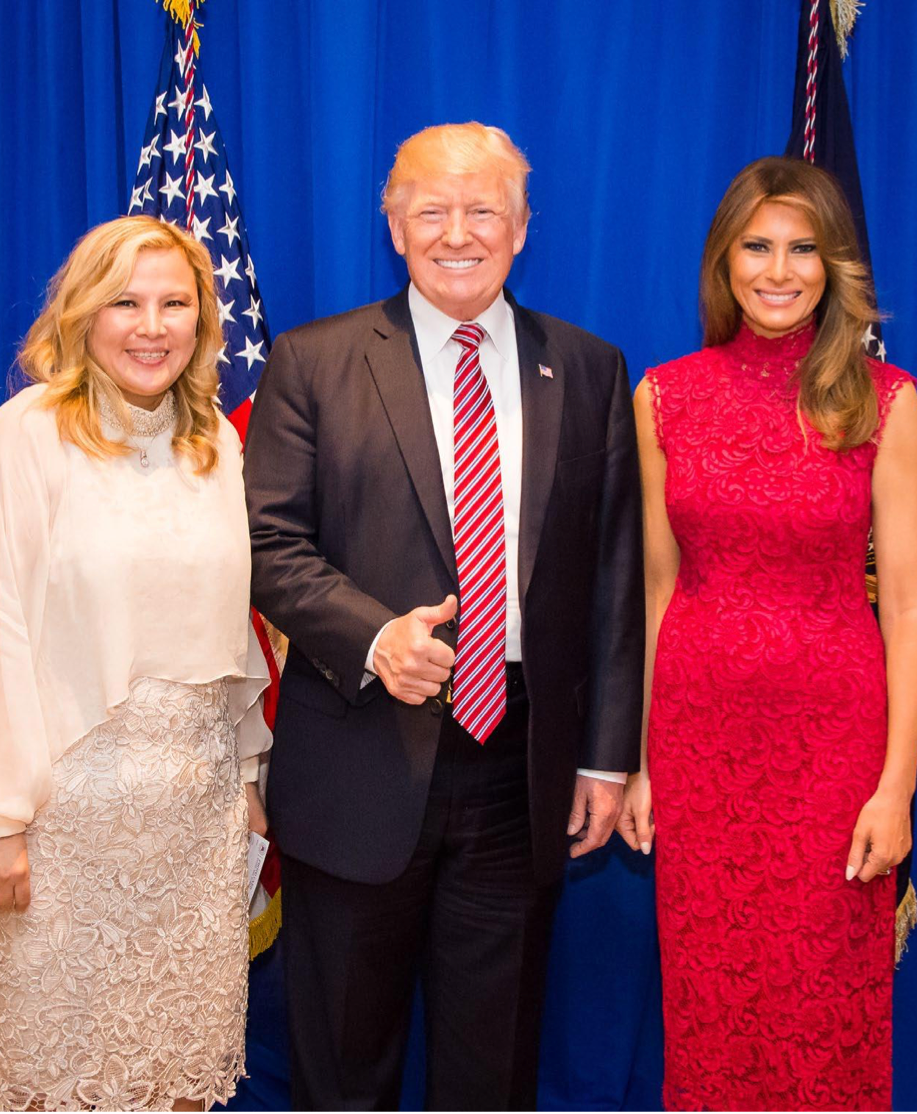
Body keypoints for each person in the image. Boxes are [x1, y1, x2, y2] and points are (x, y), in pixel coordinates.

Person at [245, 122, 643, 1110]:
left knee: (491, 1070)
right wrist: (374, 637)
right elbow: (266, 544)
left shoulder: (588, 367)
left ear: (521, 228)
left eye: (482, 211)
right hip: (356, 761)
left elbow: (613, 576)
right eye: (430, 210)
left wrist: (604, 758)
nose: (456, 233)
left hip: (521, 769)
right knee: (342, 1069)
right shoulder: (313, 360)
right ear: (393, 227)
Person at [0, 215, 271, 1112]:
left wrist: (247, 776)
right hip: (58, 829)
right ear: (82, 314)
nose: (152, 327)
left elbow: (236, 630)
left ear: (202, 320)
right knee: (56, 1078)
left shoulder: (216, 445)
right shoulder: (25, 437)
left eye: (174, 304)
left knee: (178, 1074)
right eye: (126, 303)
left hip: (195, 827)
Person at [617, 157, 917, 1111]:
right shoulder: (664, 396)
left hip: (833, 752)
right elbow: (658, 591)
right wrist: (642, 763)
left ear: (834, 266)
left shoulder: (884, 399)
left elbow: (908, 606)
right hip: (698, 747)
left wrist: (896, 788)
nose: (779, 270)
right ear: (725, 260)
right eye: (757, 246)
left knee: (824, 996)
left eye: (803, 249)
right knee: (711, 997)